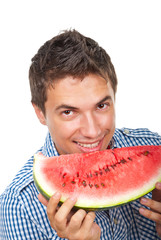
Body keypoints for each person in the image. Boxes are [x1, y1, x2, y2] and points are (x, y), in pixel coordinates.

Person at [0, 29, 161, 240]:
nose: (92, 131)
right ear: (40, 113)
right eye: (69, 112)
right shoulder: (19, 207)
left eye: (101, 105)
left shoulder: (153, 150)